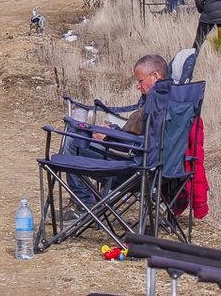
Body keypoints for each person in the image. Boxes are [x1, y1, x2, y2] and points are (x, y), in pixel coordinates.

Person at [64, 54, 169, 211]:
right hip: (162, 170)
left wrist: (108, 135)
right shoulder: (179, 100)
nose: (138, 86)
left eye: (140, 81)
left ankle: (83, 205)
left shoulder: (155, 105)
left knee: (72, 141)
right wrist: (114, 131)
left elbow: (140, 145)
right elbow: (147, 140)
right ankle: (84, 203)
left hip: (134, 170)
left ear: (155, 76)